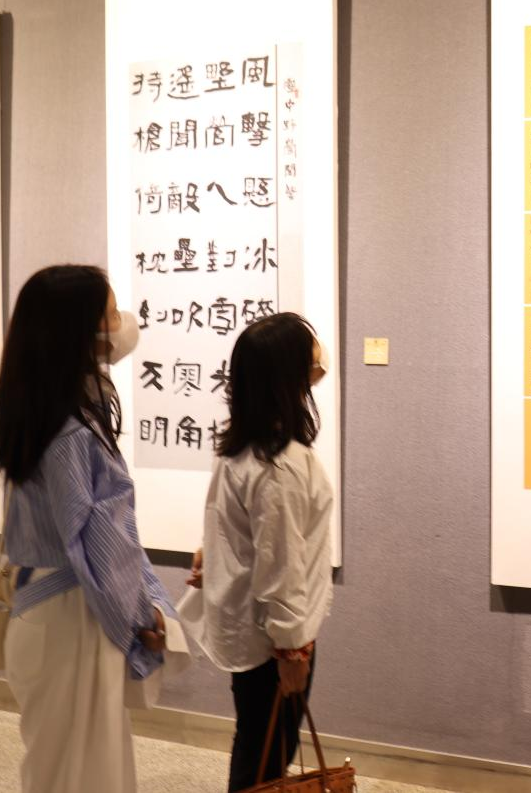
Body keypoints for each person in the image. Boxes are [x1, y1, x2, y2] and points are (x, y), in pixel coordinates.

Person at [0, 264, 174, 793]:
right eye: (110, 313)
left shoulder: (38, 411)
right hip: (73, 618)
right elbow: (103, 547)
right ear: (78, 332)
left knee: (60, 769)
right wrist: (145, 616)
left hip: (44, 612)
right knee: (85, 775)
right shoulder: (74, 430)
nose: (122, 322)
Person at [183, 312, 334, 792]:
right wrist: (292, 648)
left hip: (252, 633)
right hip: (271, 641)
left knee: (255, 746)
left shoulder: (242, 447)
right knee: (265, 761)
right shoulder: (280, 466)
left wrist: (212, 554)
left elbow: (241, 533)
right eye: (311, 356)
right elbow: (281, 565)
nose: (319, 363)